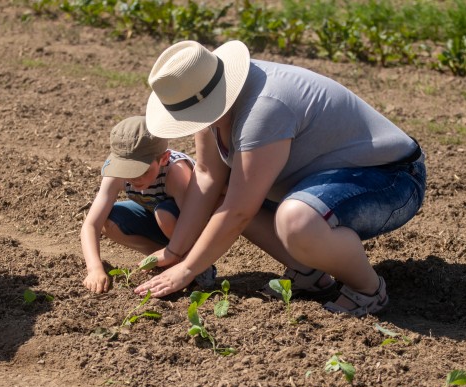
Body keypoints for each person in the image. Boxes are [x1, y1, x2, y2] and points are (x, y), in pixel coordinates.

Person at [134, 40, 426, 317]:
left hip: (392, 178)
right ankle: (308, 271)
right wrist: (176, 251)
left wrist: (186, 269)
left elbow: (238, 210)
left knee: (297, 220)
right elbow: (208, 177)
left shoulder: (263, 108)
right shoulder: (213, 99)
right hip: (322, 182)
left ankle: (368, 290)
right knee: (228, 192)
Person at [81, 116, 217, 294]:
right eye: (127, 170)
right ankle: (164, 261)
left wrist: (180, 254)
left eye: (142, 171)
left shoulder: (176, 172)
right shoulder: (115, 173)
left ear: (163, 158)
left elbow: (195, 223)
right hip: (156, 220)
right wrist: (95, 269)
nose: (134, 178)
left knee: (164, 214)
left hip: (189, 227)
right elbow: (91, 225)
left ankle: (198, 267)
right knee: (109, 220)